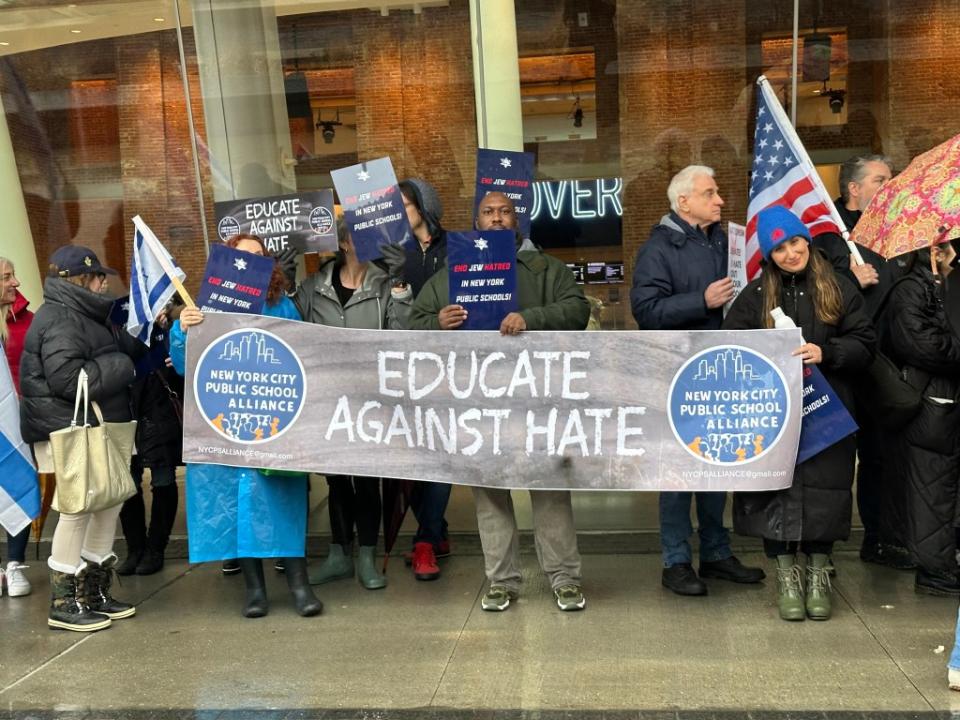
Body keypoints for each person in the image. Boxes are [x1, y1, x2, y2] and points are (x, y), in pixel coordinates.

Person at [408, 190, 591, 612]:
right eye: (488, 213)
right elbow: (411, 322)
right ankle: (501, 582)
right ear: (477, 221)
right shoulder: (453, 273)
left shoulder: (546, 269)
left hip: (538, 401)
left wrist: (533, 319)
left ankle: (564, 579)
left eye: (504, 212)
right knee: (490, 495)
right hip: (480, 406)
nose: (496, 219)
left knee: (548, 492)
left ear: (516, 220)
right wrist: (438, 322)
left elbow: (576, 310)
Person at [723, 206, 875, 621]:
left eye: (795, 243)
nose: (791, 253)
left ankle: (818, 572)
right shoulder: (754, 296)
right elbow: (730, 349)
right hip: (772, 417)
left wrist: (828, 352)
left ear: (806, 240)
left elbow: (865, 342)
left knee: (826, 491)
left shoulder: (839, 287)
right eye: (780, 248)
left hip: (829, 411)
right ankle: (786, 576)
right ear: (768, 255)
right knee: (774, 492)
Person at [170, 234, 322, 619]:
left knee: (281, 500)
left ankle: (300, 586)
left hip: (271, 422)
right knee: (238, 506)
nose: (250, 263)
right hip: (226, 422)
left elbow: (298, 354)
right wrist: (182, 330)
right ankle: (255, 590)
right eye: (241, 257)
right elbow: (187, 366)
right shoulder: (204, 310)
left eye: (258, 256)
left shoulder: (281, 305)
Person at [630, 165, 765, 596]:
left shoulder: (726, 242)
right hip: (676, 375)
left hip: (720, 370)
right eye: (710, 193)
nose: (720, 201)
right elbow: (646, 312)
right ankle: (676, 561)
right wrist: (700, 301)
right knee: (677, 472)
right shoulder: (658, 248)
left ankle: (716, 553)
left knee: (715, 464)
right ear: (683, 202)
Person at [19, 246, 138, 632]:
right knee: (76, 509)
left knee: (107, 503)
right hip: (70, 431)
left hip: (96, 427)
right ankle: (63, 600)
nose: (104, 282)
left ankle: (93, 591)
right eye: (98, 276)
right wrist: (122, 364)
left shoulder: (84, 313)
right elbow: (69, 379)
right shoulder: (59, 317)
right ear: (78, 281)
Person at [292, 216, 412, 591]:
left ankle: (367, 557)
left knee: (368, 479)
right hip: (328, 396)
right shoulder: (315, 286)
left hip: (370, 397)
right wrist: (280, 276)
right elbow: (287, 324)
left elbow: (403, 335)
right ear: (344, 243)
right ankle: (338, 555)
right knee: (337, 480)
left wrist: (402, 287)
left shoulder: (384, 282)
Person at [813, 155, 909, 570]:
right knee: (835, 462)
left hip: (893, 362)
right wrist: (852, 278)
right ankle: (821, 551)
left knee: (883, 457)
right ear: (854, 189)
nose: (888, 185)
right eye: (880, 179)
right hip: (848, 364)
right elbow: (817, 297)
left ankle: (881, 538)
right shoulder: (829, 239)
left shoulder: (897, 234)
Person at [380, 178, 452, 581]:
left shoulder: (455, 247)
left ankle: (425, 539)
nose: (397, 215)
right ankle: (435, 530)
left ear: (423, 206)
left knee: (442, 455)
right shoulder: (390, 255)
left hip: (450, 368)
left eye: (402, 205)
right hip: (406, 368)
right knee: (416, 455)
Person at [878, 241, 960, 596]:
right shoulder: (910, 290)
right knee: (932, 485)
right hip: (931, 402)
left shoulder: (947, 287)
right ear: (936, 251)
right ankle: (934, 570)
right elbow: (922, 344)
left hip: (949, 398)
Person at [116, 299, 185, 576]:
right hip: (126, 411)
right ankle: (135, 549)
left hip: (161, 414)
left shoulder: (172, 329)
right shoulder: (118, 322)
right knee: (128, 484)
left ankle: (156, 548)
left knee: (163, 480)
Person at [1, 256, 34, 597]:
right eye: (7, 277)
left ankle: (14, 564)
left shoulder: (28, 321)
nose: (16, 282)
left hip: (15, 421)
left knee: (17, 481)